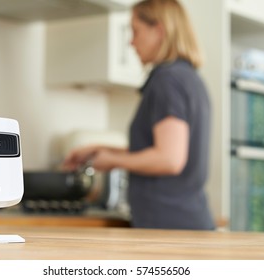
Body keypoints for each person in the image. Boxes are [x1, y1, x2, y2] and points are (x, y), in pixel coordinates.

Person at [63, 0, 215, 230]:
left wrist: (113, 161)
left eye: (136, 31)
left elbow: (170, 159)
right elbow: (162, 149)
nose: (131, 42)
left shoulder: (167, 80)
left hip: (169, 227)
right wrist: (102, 150)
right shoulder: (189, 78)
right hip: (186, 221)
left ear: (160, 31)